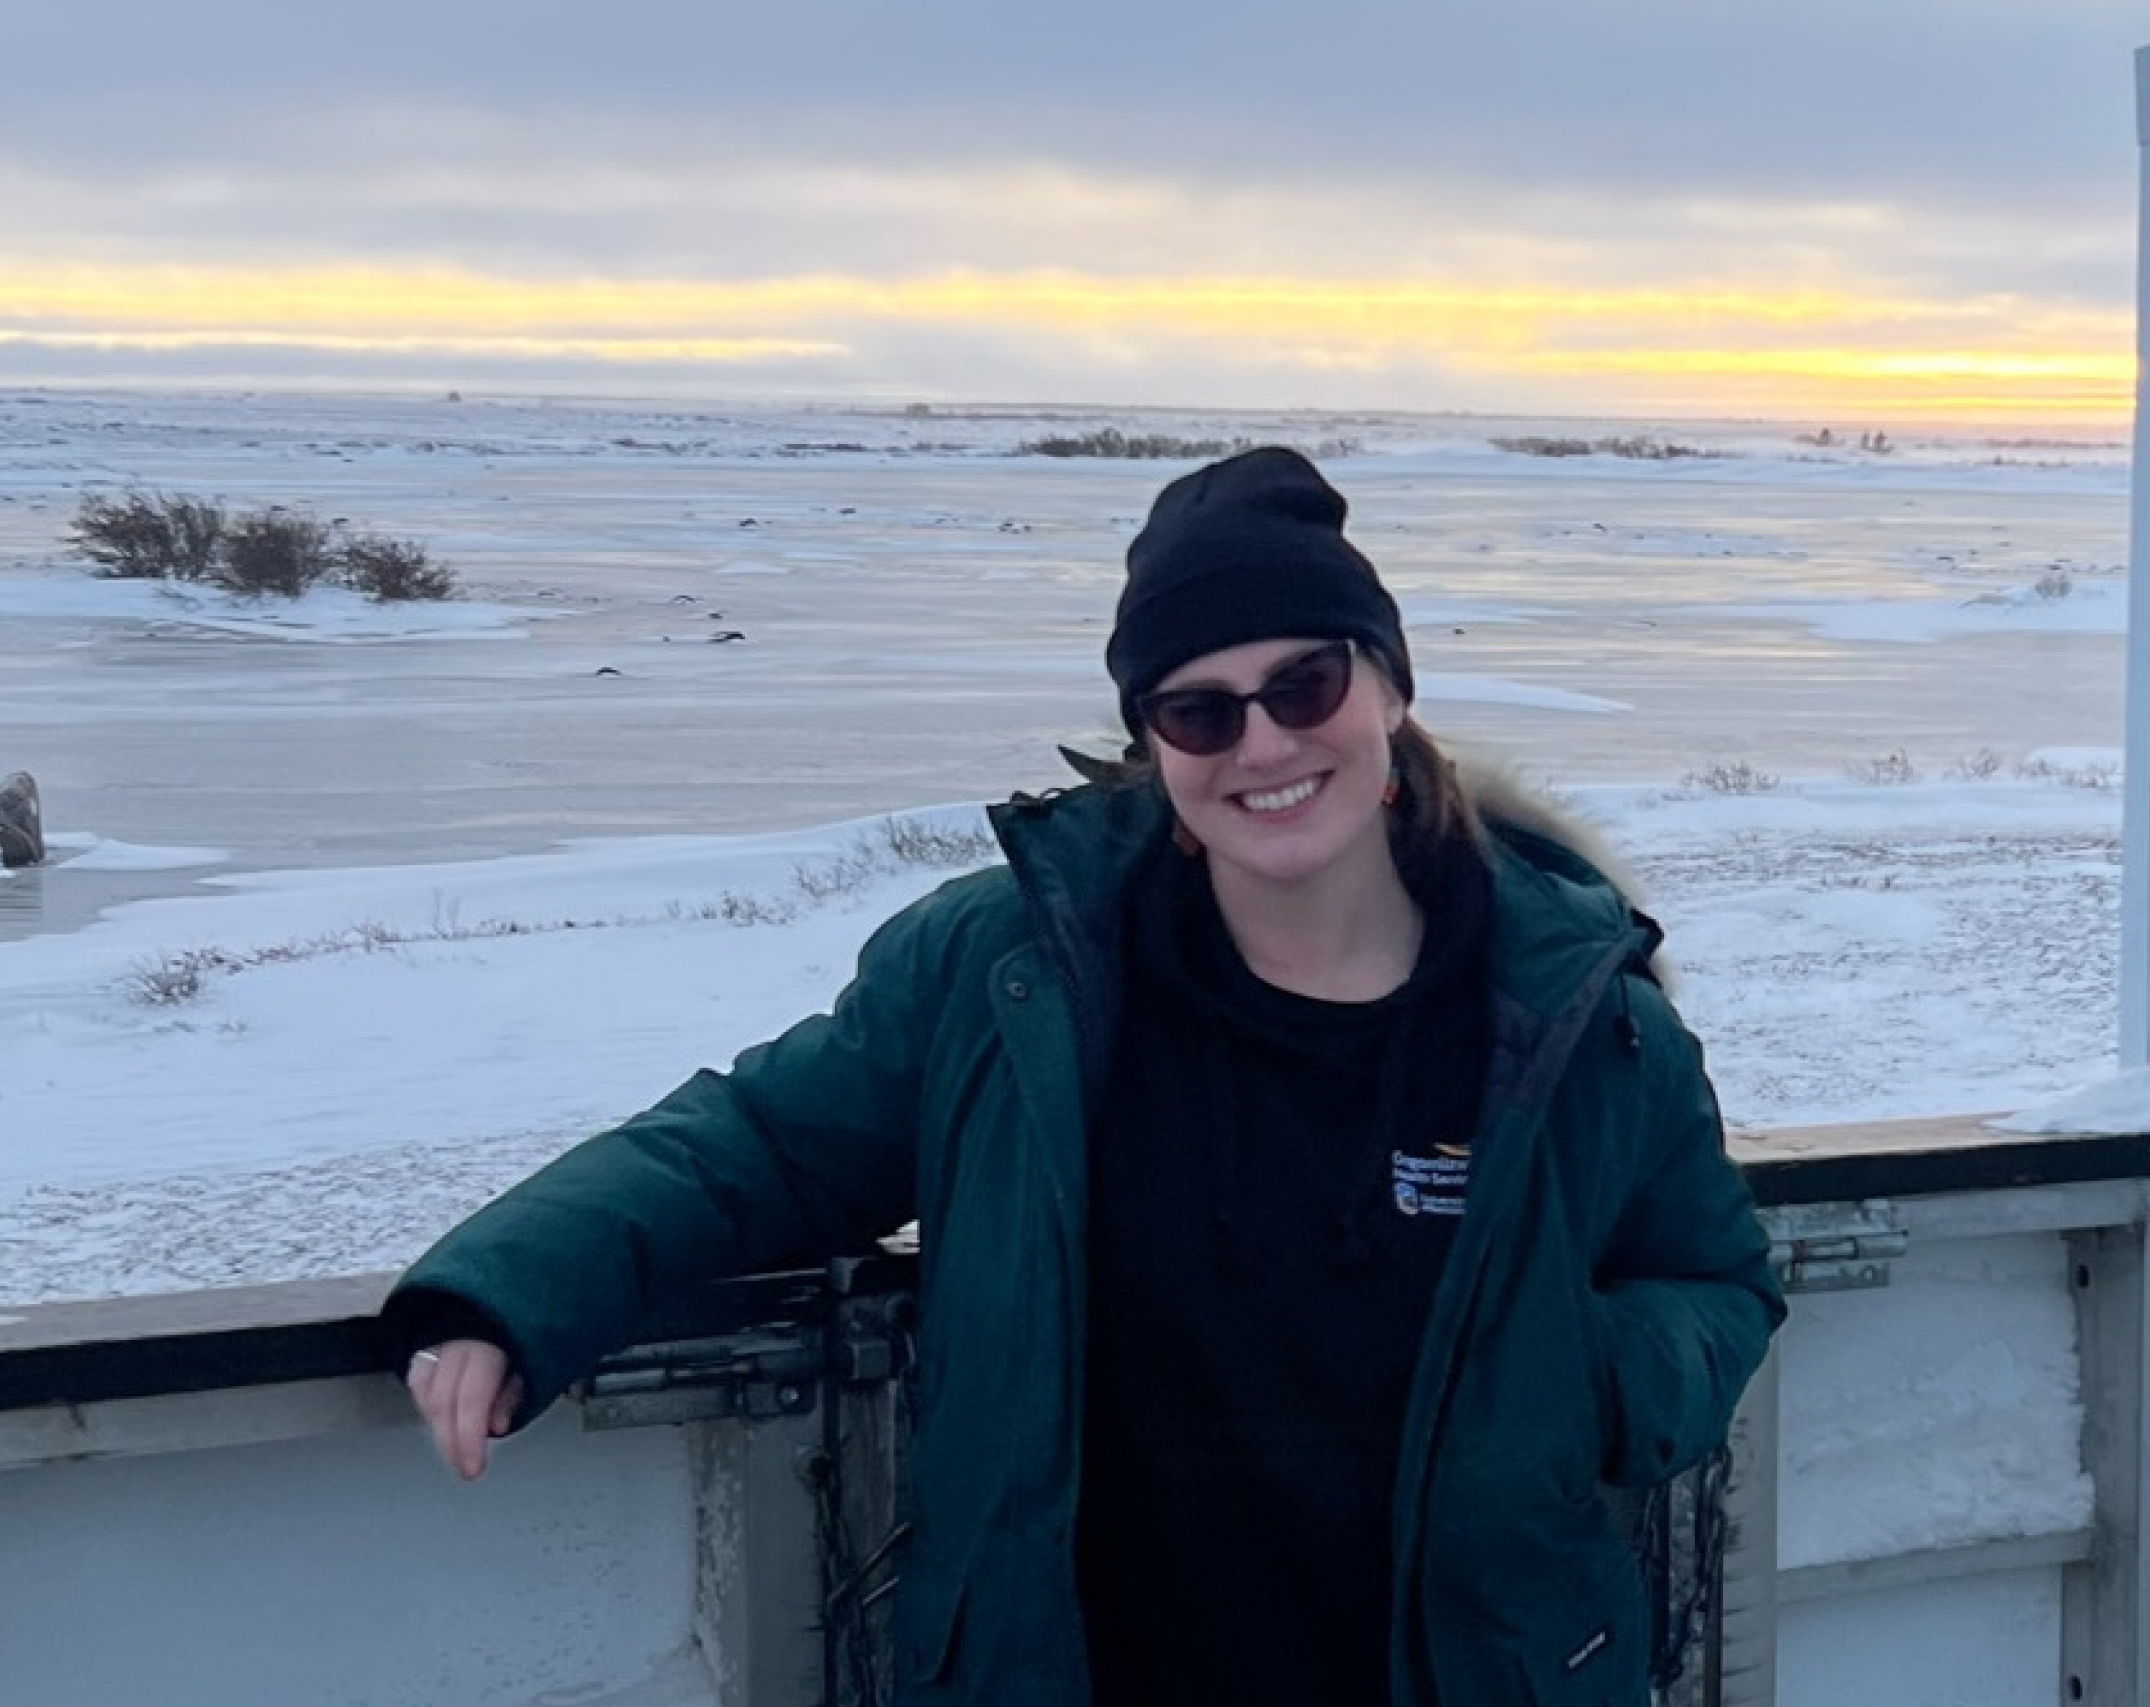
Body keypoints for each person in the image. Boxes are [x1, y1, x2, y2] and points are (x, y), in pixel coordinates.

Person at [382, 446, 1784, 1707]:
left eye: (1304, 684)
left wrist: (1577, 1387)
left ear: (1390, 689)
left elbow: (1714, 1280)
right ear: (1150, 745)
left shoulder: (1573, 1013)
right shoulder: (1016, 981)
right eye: (1201, 713)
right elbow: (761, 1142)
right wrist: (511, 1291)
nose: (1265, 743)